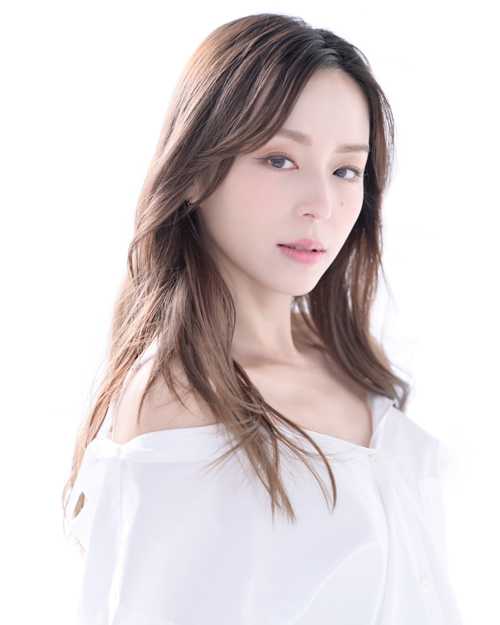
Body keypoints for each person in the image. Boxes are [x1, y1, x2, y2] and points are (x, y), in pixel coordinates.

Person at [62, 12, 463, 624]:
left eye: (345, 170)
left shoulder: (347, 362)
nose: (321, 204)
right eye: (279, 159)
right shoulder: (178, 404)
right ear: (195, 171)